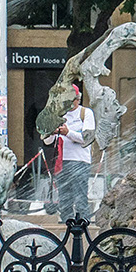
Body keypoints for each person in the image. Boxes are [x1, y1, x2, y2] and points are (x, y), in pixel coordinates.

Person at [54, 83, 96, 227]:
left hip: (80, 161)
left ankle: (83, 229)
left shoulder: (86, 113)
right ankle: (68, 229)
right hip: (62, 161)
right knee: (64, 199)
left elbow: (87, 138)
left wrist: (68, 133)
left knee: (80, 198)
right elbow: (48, 140)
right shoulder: (59, 115)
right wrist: (51, 132)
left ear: (78, 99)